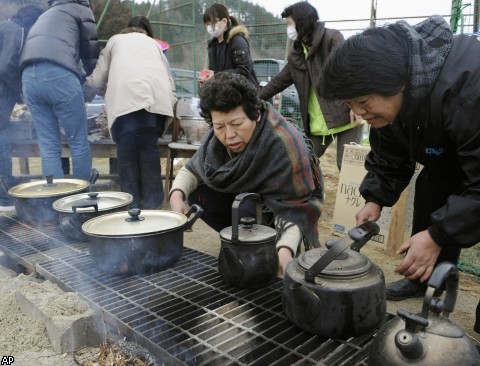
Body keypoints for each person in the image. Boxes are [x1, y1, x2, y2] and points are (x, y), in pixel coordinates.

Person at [319, 16, 480, 332]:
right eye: (351, 104)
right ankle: (424, 280)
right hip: (447, 158)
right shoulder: (396, 98)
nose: (359, 114)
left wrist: (438, 236)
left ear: (399, 81)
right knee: (433, 187)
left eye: (363, 102)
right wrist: (375, 199)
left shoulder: (468, 88)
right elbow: (389, 155)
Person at [169, 72, 323, 276]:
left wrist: (285, 251)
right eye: (219, 126)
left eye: (237, 124)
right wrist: (176, 195)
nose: (229, 135)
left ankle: (269, 241)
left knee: (280, 241)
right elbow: (193, 169)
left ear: (255, 115)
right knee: (197, 193)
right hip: (246, 202)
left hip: (275, 209)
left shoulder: (283, 144)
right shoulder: (216, 140)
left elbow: (294, 209)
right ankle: (243, 240)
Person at [258, 2, 363, 173]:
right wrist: (254, 98)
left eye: (289, 23)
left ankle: (360, 200)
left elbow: (352, 71)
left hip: (347, 118)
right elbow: (278, 81)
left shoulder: (332, 38)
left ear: (302, 21)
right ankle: (311, 197)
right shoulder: (296, 53)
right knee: (303, 164)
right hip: (317, 125)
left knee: (347, 167)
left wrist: (358, 105)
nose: (288, 28)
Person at [84, 24, 177, 209]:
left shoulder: (115, 41)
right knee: (149, 152)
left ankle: (132, 210)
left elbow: (96, 79)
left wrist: (84, 95)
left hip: (126, 103)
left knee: (127, 156)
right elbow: (169, 79)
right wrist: (174, 109)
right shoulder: (153, 44)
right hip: (155, 104)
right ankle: (153, 210)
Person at [19, 0, 99, 181]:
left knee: (48, 145)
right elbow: (90, 53)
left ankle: (53, 203)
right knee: (78, 142)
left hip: (28, 76)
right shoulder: (81, 9)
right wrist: (91, 81)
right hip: (59, 73)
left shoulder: (48, 13)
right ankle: (83, 200)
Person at [0, 6, 44, 208]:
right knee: (2, 140)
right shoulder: (16, 31)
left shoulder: (6, 27)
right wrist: (20, 90)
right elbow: (6, 65)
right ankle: (4, 191)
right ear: (32, 22)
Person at [199, 3, 259, 88]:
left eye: (212, 23)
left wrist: (215, 75)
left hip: (244, 94)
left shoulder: (237, 41)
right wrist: (207, 78)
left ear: (224, 22)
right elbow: (214, 73)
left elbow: (244, 71)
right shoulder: (212, 47)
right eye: (207, 24)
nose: (210, 27)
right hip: (225, 94)